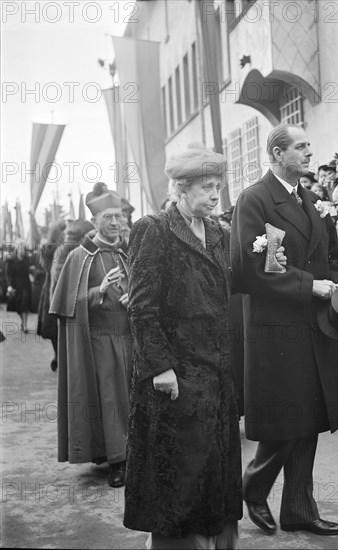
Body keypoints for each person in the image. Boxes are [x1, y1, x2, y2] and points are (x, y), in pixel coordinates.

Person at [124, 145, 253, 548]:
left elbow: (233, 287)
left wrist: (273, 264)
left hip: (215, 371)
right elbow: (142, 308)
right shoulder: (154, 229)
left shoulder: (217, 231)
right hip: (176, 374)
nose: (216, 195)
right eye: (207, 187)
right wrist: (159, 367)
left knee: (216, 465)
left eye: (218, 186)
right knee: (182, 472)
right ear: (181, 188)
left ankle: (219, 541)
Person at [230, 124, 338, 537]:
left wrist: (336, 288)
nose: (309, 153)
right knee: (288, 415)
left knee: (310, 413)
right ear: (277, 154)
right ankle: (254, 484)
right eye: (301, 147)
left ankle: (298, 507)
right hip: (276, 329)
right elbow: (249, 266)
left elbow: (333, 254)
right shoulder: (255, 199)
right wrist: (308, 285)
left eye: (309, 146)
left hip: (313, 323)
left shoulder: (313, 201)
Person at [49, 184, 132, 488]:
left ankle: (134, 453)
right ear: (95, 220)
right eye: (108, 217)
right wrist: (101, 291)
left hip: (130, 337)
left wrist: (132, 296)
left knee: (132, 399)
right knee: (110, 401)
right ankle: (118, 461)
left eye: (118, 216)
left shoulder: (125, 251)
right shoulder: (79, 256)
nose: (114, 222)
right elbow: (66, 305)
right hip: (99, 341)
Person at [37, 221, 66, 371]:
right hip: (54, 286)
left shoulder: (46, 248)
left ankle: (57, 355)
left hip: (48, 285)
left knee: (53, 325)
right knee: (56, 324)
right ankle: (59, 356)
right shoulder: (59, 249)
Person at [5, 240, 32, 333]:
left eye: (23, 248)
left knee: (25, 303)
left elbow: (32, 269)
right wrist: (9, 286)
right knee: (17, 305)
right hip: (15, 285)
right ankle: (22, 321)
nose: (21, 250)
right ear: (16, 249)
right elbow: (7, 274)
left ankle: (24, 325)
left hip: (26, 284)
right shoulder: (11, 260)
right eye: (20, 248)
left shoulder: (27, 259)